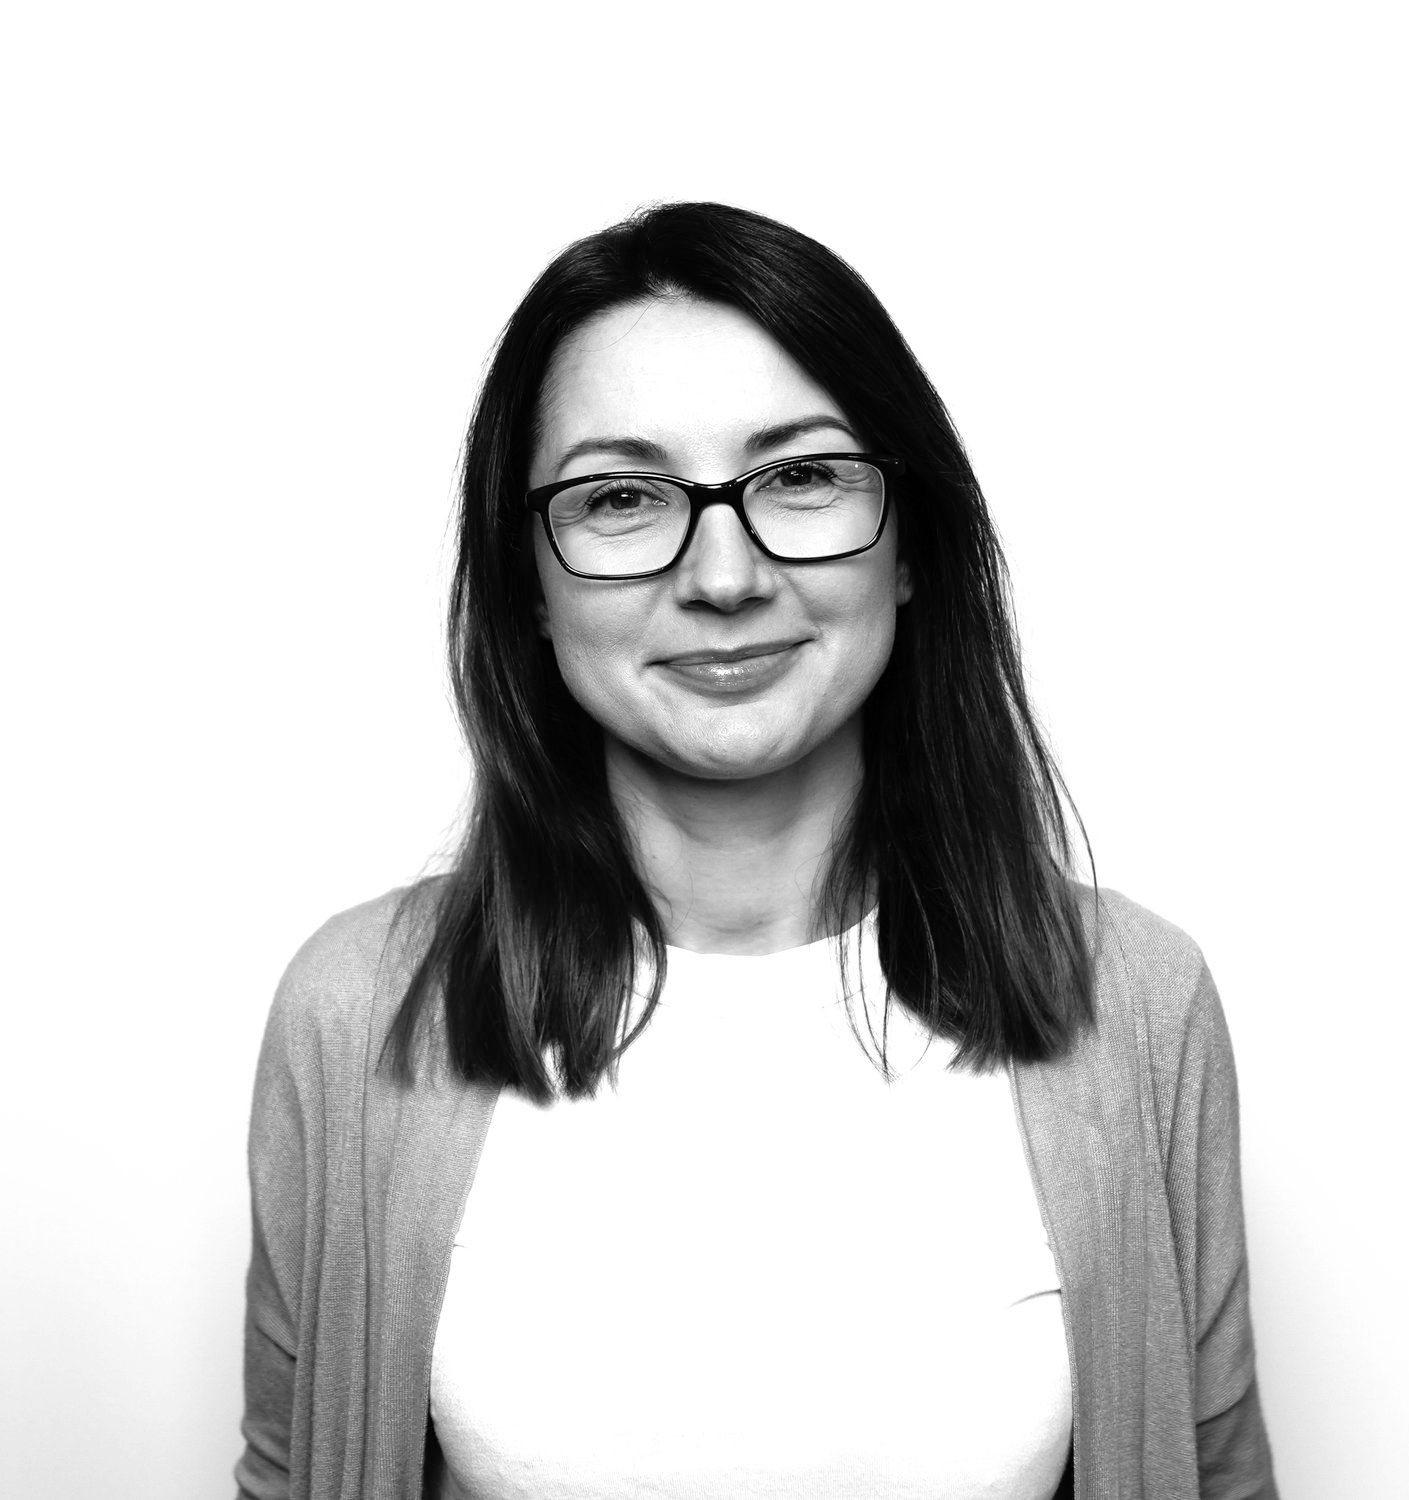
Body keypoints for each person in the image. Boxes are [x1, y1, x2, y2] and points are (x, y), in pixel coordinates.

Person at [235, 202, 1277, 1500]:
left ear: (911, 547)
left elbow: (1214, 1471)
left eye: (800, 477)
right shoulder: (356, 1018)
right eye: (621, 496)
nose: (723, 575)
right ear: (528, 586)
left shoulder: (1136, 1005)